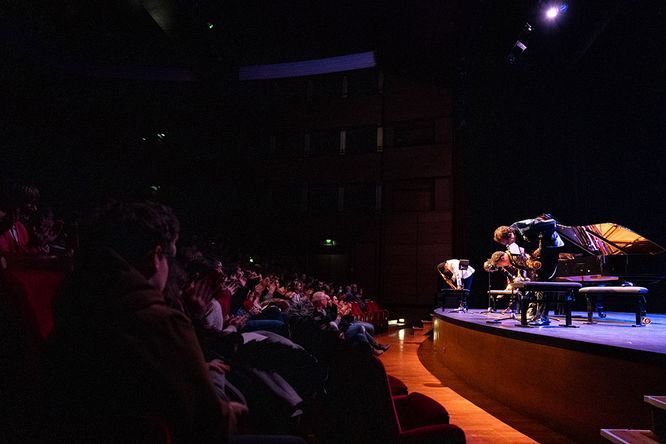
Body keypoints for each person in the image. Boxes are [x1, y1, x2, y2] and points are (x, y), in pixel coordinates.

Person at [47, 201, 245, 442]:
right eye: (170, 258)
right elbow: (211, 423)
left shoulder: (75, 300)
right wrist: (225, 403)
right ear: (155, 257)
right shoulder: (160, 322)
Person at [493, 214, 564, 325]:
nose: (508, 245)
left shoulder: (526, 226)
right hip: (540, 254)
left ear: (510, 234)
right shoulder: (514, 235)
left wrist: (541, 246)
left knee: (544, 281)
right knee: (537, 282)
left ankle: (543, 317)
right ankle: (535, 313)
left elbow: (552, 223)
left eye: (507, 242)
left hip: (551, 248)